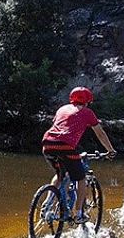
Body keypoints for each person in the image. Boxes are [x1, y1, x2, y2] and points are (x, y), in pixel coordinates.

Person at [41, 86, 117, 224]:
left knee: (60, 175)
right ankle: (79, 214)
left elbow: (62, 125)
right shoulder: (87, 112)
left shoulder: (62, 109)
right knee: (81, 178)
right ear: (88, 101)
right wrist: (110, 150)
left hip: (47, 144)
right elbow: (100, 133)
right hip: (66, 146)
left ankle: (47, 204)